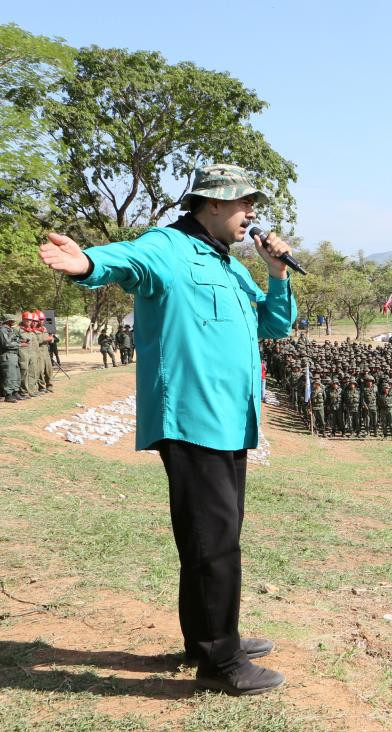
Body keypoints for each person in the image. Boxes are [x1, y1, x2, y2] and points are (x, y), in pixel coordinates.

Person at [38, 163, 296, 696]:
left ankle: (212, 636)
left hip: (231, 418)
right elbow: (127, 259)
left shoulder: (229, 265)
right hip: (193, 418)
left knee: (215, 539)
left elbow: (274, 324)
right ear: (213, 204)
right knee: (213, 544)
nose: (251, 213)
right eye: (243, 202)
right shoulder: (170, 247)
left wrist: (276, 273)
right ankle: (219, 662)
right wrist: (86, 261)